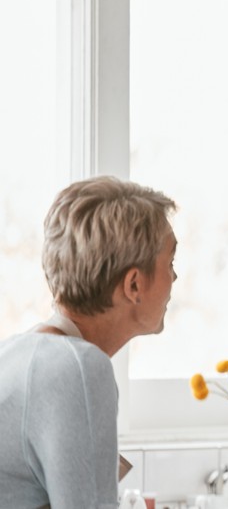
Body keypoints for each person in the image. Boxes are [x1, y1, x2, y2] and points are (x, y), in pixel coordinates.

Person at [1, 177, 179, 508]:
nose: (175, 278)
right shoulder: (77, 369)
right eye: (170, 263)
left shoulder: (16, 353)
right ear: (134, 284)